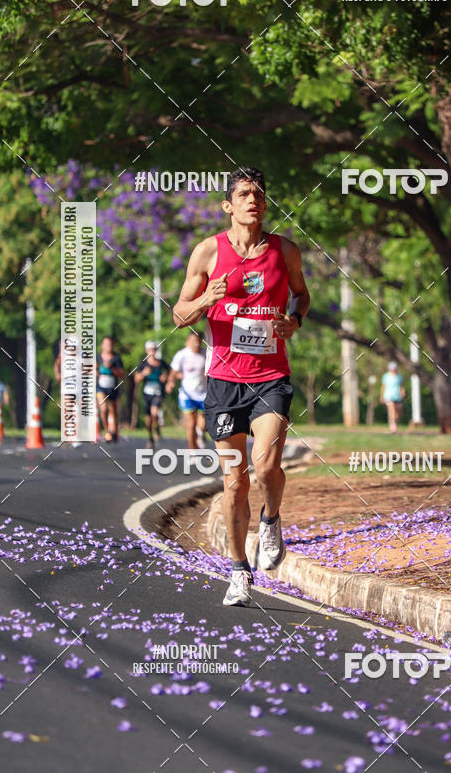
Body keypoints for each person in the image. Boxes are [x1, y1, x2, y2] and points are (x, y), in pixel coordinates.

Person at [172, 166, 310, 607]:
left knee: (266, 465)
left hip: (271, 378)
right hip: (223, 384)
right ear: (228, 205)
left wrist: (295, 320)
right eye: (244, 194)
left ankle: (271, 519)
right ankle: (238, 571)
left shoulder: (285, 251)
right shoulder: (207, 253)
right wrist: (205, 301)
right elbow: (179, 314)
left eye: (260, 194)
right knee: (234, 483)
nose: (254, 200)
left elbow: (302, 295)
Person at [166, 332, 207, 449]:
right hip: (187, 393)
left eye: (198, 340)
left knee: (202, 425)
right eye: (193, 340)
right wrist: (170, 382)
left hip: (203, 393)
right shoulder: (182, 354)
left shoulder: (206, 354)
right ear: (188, 341)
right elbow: (173, 371)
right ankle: (193, 450)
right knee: (190, 424)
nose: (195, 343)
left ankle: (200, 434)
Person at [135, 341, 169, 449]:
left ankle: (157, 429)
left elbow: (170, 372)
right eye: (150, 350)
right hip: (147, 393)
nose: (152, 352)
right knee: (148, 419)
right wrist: (143, 374)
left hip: (158, 393)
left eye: (154, 349)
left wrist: (166, 378)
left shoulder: (161, 363)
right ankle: (150, 438)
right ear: (146, 351)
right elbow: (136, 379)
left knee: (154, 413)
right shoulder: (143, 364)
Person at [96, 336, 125, 442]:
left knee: (113, 411)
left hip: (113, 387)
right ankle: (107, 430)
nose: (109, 346)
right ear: (102, 346)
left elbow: (122, 373)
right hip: (100, 388)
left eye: (111, 344)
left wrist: (111, 368)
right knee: (103, 408)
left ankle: (115, 431)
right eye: (107, 344)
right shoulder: (97, 357)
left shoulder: (116, 358)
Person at [381, 361, 405, 433]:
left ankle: (395, 424)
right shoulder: (386, 376)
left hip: (397, 396)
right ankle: (392, 425)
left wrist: (403, 392)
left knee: (398, 412)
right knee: (392, 410)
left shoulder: (399, 376)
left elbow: (401, 386)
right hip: (388, 396)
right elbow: (383, 386)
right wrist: (382, 396)